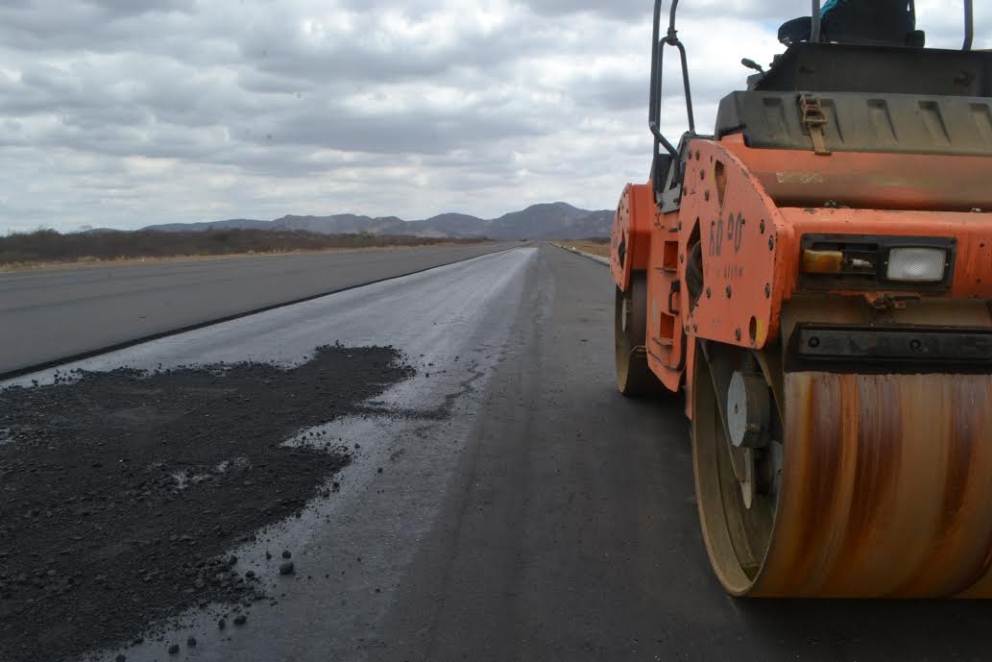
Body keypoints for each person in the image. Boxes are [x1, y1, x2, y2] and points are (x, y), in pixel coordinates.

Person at [779, 0, 919, 47]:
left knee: (786, 30)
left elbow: (821, 19)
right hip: (899, 42)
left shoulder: (841, 9)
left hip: (840, 37)